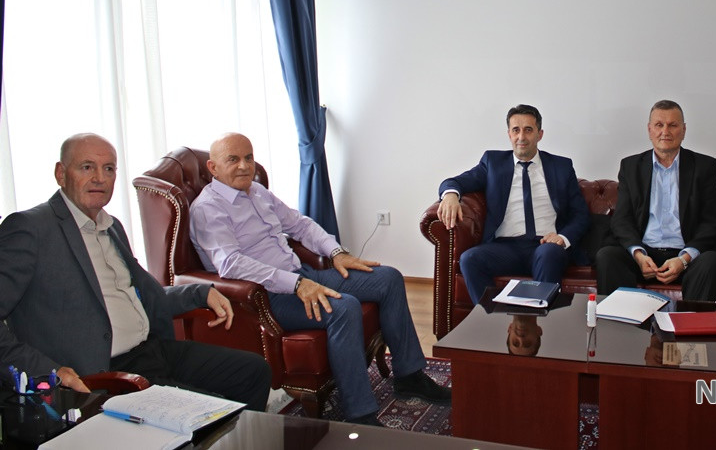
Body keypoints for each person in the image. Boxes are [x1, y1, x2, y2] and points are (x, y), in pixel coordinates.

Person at [189, 133, 449, 427]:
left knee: (388, 278)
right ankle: (360, 415)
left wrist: (336, 252)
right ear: (213, 167)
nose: (244, 166)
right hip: (268, 296)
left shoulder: (257, 191)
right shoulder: (208, 208)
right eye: (233, 159)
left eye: (248, 157)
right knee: (344, 307)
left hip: (302, 275)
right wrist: (295, 284)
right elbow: (231, 264)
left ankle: (409, 376)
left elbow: (300, 225)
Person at [0, 134, 270, 411]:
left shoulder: (112, 226)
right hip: (103, 372)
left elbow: (145, 297)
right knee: (214, 413)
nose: (99, 178)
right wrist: (48, 371)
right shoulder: (30, 229)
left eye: (108, 169)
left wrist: (201, 293)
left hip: (151, 350)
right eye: (87, 167)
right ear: (61, 173)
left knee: (253, 371)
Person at [437, 104, 590, 306]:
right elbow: (455, 181)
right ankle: (491, 318)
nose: (521, 137)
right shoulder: (492, 162)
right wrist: (450, 195)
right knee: (469, 259)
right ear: (509, 134)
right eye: (516, 130)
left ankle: (541, 321)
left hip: (545, 245)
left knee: (549, 253)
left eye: (528, 130)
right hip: (504, 248)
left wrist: (562, 238)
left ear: (540, 134)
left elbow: (581, 214)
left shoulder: (561, 166)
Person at [595, 100, 716, 300]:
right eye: (659, 125)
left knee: (710, 261)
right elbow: (622, 220)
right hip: (644, 252)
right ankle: (620, 320)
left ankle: (692, 320)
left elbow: (712, 223)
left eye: (673, 125)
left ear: (683, 130)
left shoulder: (704, 166)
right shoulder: (631, 166)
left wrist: (683, 259)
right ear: (649, 130)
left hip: (687, 253)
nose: (665, 131)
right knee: (607, 256)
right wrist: (639, 255)